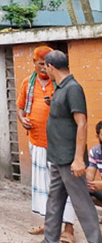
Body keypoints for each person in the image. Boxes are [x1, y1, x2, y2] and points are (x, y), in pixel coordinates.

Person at [17, 46, 76, 240]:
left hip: (58, 145)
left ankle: (68, 229)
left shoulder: (60, 82)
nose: (44, 68)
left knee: (63, 186)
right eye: (41, 64)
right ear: (33, 63)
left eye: (47, 64)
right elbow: (20, 107)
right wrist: (22, 119)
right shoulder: (28, 83)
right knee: (43, 187)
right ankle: (48, 224)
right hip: (37, 141)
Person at [42, 51, 101, 243]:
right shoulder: (61, 88)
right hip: (58, 157)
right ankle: (49, 239)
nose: (45, 70)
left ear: (51, 66)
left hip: (69, 159)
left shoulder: (73, 88)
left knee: (82, 203)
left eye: (45, 67)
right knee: (54, 201)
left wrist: (78, 159)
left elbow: (82, 123)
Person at [86, 120, 102, 204]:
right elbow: (89, 177)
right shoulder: (95, 151)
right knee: (83, 190)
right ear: (97, 136)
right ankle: (90, 217)